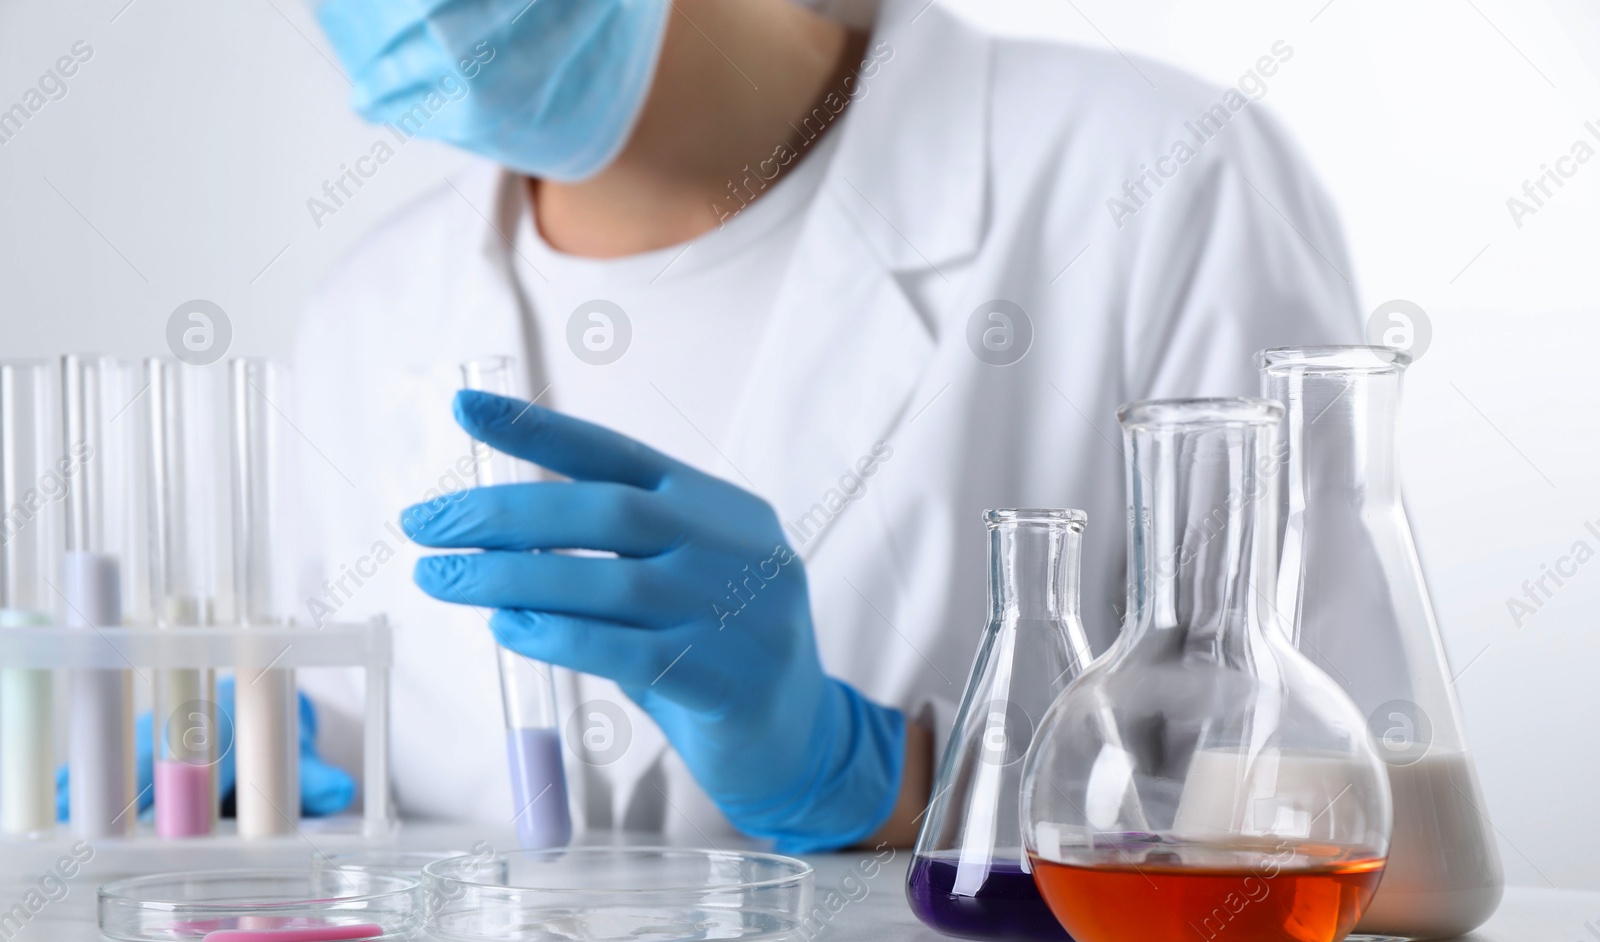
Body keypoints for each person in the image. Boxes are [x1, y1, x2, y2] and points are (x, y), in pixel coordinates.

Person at [291, 0, 1362, 850]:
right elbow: (349, 759)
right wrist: (241, 779)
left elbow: (1328, 823)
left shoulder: (1157, 180)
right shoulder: (366, 311)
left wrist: (884, 775)